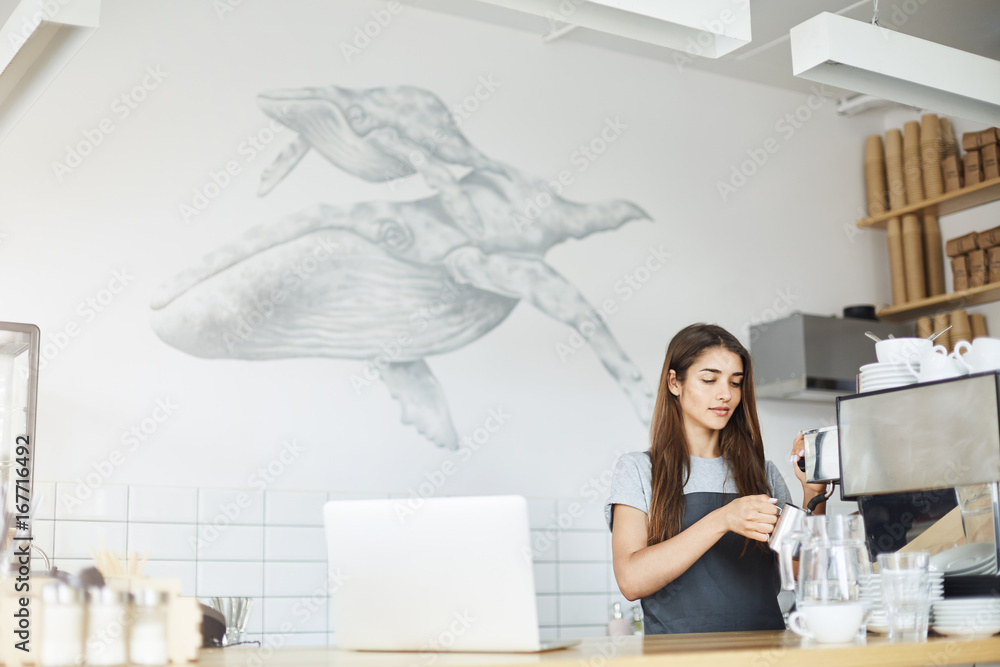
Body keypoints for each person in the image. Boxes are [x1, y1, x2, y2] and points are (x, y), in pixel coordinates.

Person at [605, 323, 828, 634]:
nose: (725, 395)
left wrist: (812, 495)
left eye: (735, 383)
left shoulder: (761, 473)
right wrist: (722, 520)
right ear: (674, 382)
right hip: (678, 659)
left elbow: (805, 573)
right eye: (709, 380)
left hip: (767, 653)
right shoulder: (639, 470)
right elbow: (631, 580)